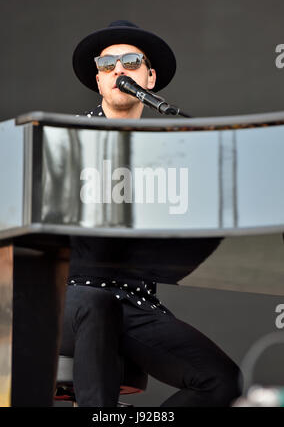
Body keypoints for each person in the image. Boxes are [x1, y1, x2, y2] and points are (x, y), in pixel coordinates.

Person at [59, 20, 242, 407]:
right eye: (107, 65)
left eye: (129, 61)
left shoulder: (167, 157)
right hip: (68, 296)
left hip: (135, 302)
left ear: (150, 76)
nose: (118, 71)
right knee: (98, 304)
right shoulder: (66, 139)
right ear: (98, 81)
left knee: (222, 380)